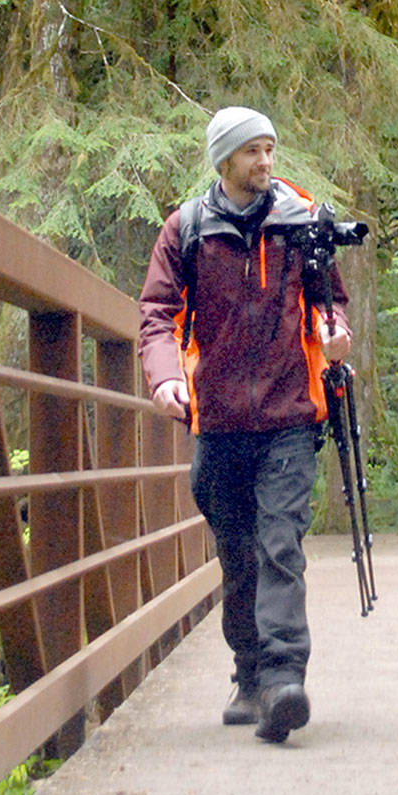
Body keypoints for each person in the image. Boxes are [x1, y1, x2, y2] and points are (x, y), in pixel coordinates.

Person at [137, 106, 352, 743]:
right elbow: (158, 314)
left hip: (290, 411)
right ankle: (250, 673)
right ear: (224, 159)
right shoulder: (187, 229)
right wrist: (165, 375)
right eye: (253, 151)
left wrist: (333, 329)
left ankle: (287, 679)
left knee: (278, 540)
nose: (266, 161)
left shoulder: (303, 221)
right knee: (238, 551)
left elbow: (328, 299)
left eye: (270, 148)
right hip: (219, 418)